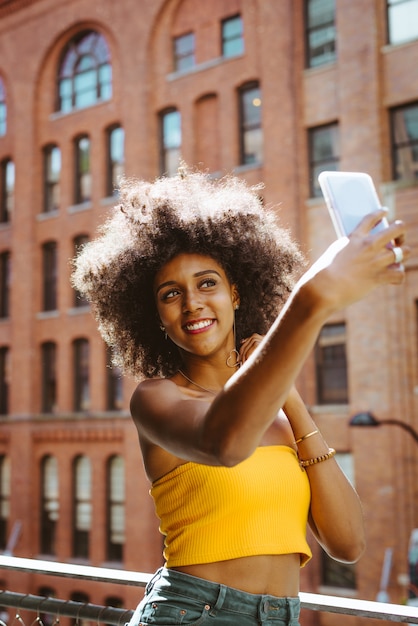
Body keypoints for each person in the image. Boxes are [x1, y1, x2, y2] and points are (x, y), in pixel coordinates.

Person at [72, 167, 409, 626]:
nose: (192, 303)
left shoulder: (277, 414)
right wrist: (313, 298)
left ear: (235, 293)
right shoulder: (156, 400)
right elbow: (224, 444)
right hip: (193, 613)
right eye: (171, 294)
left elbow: (348, 544)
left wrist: (292, 403)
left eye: (207, 283)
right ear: (155, 317)